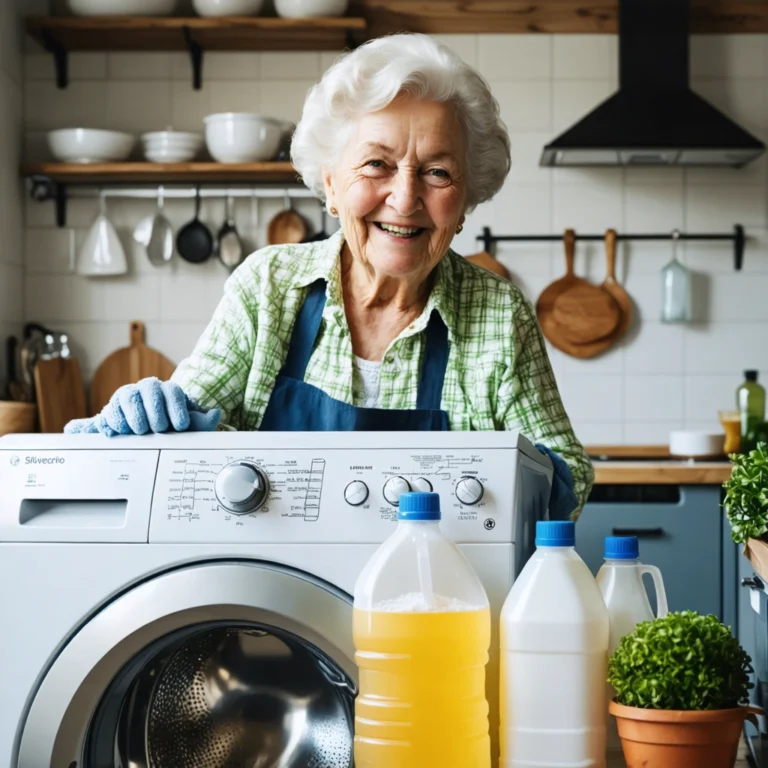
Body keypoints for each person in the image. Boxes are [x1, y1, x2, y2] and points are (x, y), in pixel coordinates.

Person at [65, 33, 593, 520]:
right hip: (272, 606)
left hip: (441, 599)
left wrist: (499, 482)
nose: (405, 198)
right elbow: (190, 426)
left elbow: (569, 471)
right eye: (377, 165)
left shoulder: (500, 315)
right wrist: (153, 418)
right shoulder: (269, 286)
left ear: (464, 201)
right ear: (332, 186)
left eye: (437, 171)